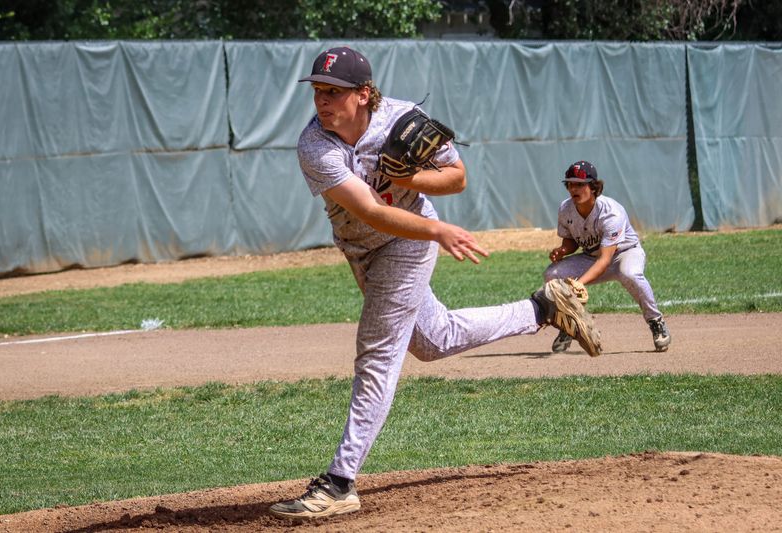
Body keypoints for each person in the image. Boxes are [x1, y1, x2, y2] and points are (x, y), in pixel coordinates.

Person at [269, 46, 600, 520]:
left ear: (363, 94)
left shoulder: (403, 120)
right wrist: (437, 229)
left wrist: (415, 179)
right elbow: (369, 211)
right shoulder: (315, 145)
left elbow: (457, 177)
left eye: (335, 92)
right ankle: (543, 309)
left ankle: (341, 481)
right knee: (432, 338)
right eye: (319, 91)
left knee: (377, 353)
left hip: (407, 244)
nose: (323, 101)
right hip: (365, 245)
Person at [545, 160, 671, 353]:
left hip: (625, 254)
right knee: (552, 274)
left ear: (594, 187)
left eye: (580, 184)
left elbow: (606, 259)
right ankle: (569, 326)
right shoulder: (566, 208)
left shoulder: (611, 212)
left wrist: (579, 283)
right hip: (592, 257)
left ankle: (656, 321)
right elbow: (571, 242)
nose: (573, 188)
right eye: (570, 184)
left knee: (629, 274)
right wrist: (562, 251)